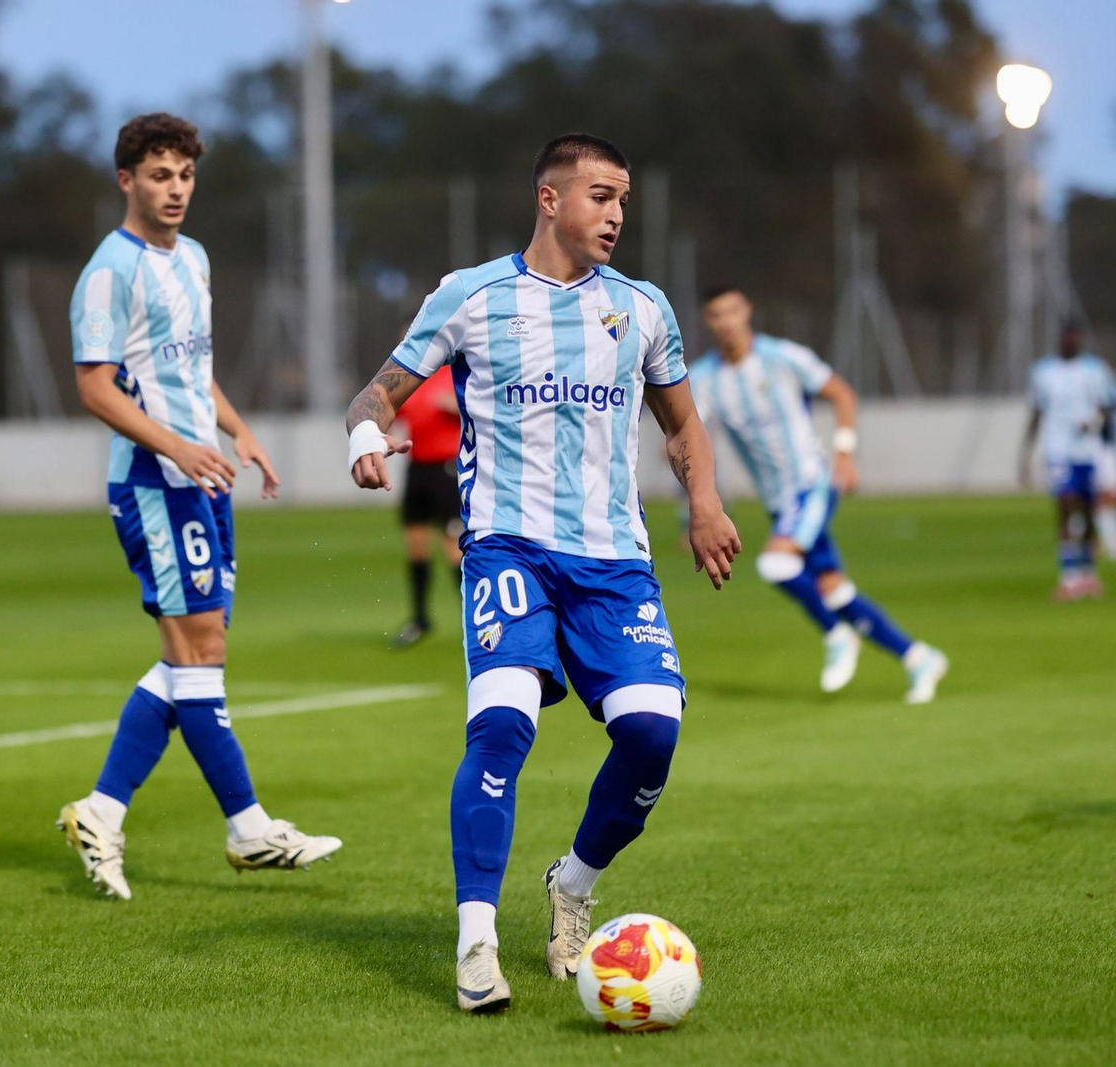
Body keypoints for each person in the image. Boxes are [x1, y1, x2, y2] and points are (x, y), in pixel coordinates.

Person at [346, 133, 741, 1013]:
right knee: (502, 725)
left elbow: (682, 424)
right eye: (601, 195)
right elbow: (377, 393)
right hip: (506, 546)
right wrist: (367, 435)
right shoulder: (471, 296)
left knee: (652, 735)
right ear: (551, 199)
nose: (616, 215)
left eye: (625, 200)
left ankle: (572, 882)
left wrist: (705, 500)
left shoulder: (641, 308)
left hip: (615, 561)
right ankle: (476, 942)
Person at [57, 113, 340, 901]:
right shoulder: (110, 271)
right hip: (155, 483)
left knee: (194, 656)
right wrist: (176, 448)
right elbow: (94, 386)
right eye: (159, 174)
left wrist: (237, 430)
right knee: (200, 652)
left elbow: (190, 370)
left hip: (203, 478)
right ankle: (247, 827)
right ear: (127, 180)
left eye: (184, 174)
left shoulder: (196, 259)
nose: (175, 189)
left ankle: (102, 809)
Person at [691, 286, 948, 699]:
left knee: (776, 564)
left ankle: (836, 636)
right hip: (779, 502)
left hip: (812, 483)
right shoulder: (704, 379)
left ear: (748, 311)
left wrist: (845, 453)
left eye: (733, 311)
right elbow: (690, 436)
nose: (727, 322)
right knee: (835, 589)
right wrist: (698, 503)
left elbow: (842, 394)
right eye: (717, 314)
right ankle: (919, 658)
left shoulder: (782, 357)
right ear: (708, 320)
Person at [1022, 322, 1116, 598]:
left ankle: (1087, 573)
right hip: (1057, 450)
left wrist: (1093, 423)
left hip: (1088, 450)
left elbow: (1107, 406)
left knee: (1088, 510)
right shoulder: (1042, 372)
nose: (1070, 341)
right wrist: (1025, 455)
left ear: (1081, 339)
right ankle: (1069, 575)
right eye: (1066, 336)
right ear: (1060, 339)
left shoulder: (1095, 370)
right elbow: (1036, 412)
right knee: (1065, 503)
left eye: (1074, 337)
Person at [391, 365, 465, 646]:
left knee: (453, 546)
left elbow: (479, 405)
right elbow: (394, 414)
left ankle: (473, 618)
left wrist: (455, 403)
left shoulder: (453, 372)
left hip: (446, 470)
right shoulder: (410, 379)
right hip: (417, 468)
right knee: (416, 544)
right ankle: (420, 618)